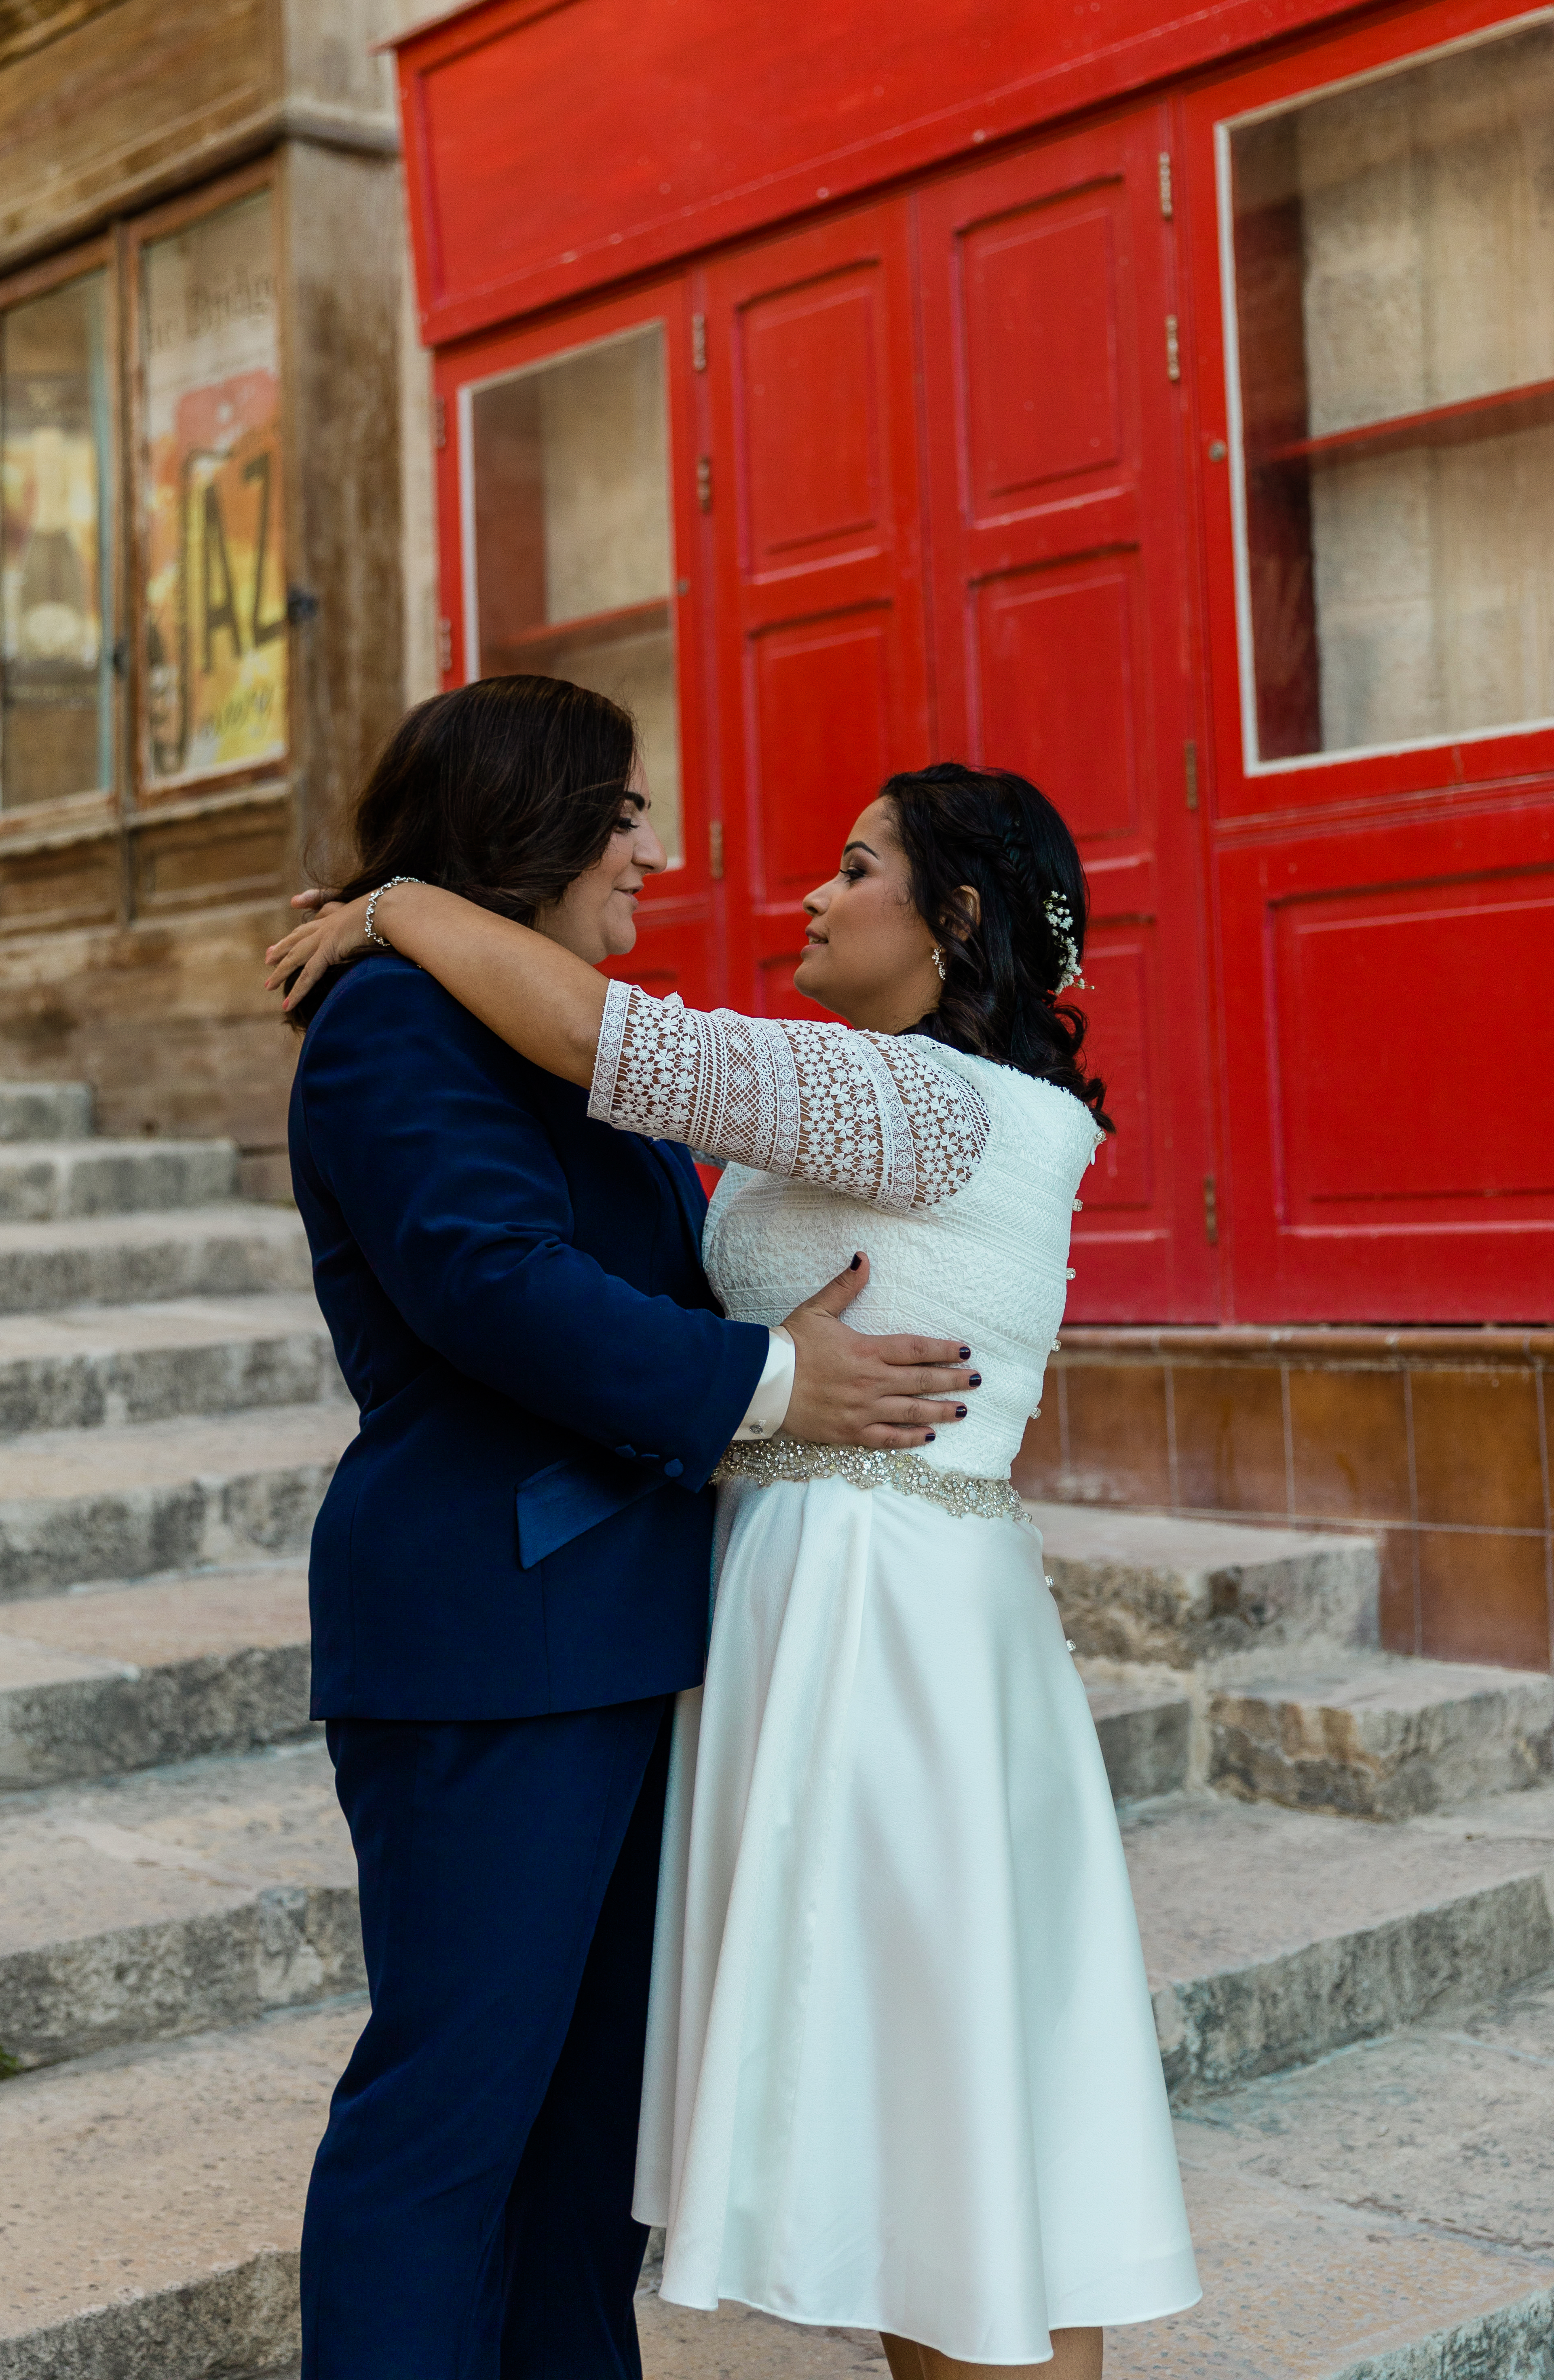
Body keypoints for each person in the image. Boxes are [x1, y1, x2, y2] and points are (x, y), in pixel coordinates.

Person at [270, 752, 1200, 2379]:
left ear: (954, 920)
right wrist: (758, 1378)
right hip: (777, 1584)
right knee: (940, 2087)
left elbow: (608, 1044)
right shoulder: (873, 1089)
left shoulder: (922, 1102)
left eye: (854, 869)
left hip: (878, 1611)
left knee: (946, 2086)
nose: (808, 894)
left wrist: (400, 905)